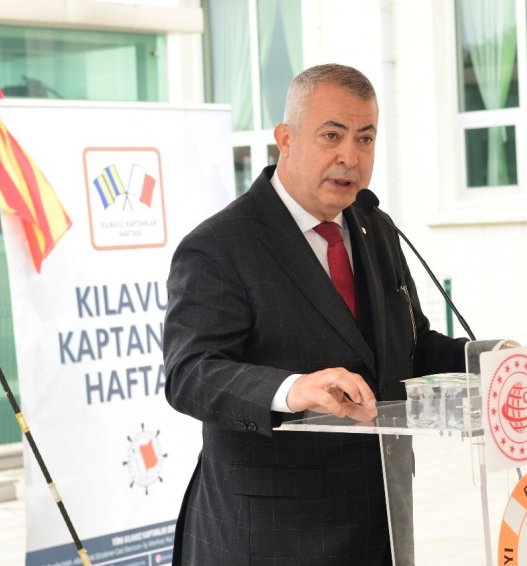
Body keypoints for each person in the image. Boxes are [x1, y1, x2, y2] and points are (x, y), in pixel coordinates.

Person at [163, 64, 468, 565]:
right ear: (285, 139)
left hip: (380, 527)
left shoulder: (375, 227)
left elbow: (410, 347)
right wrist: (291, 389)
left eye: (365, 138)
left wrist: (493, 361)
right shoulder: (220, 244)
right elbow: (190, 374)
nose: (351, 156)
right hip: (272, 538)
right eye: (332, 135)